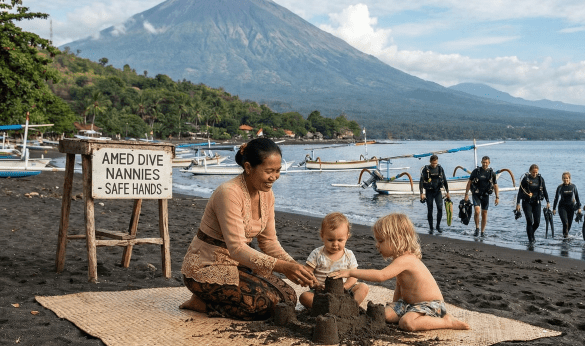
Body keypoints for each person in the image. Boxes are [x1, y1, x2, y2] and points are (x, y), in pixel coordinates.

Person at [179, 138, 317, 319]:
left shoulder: (267, 194)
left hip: (240, 266)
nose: (274, 177)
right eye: (269, 171)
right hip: (206, 267)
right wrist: (282, 267)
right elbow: (236, 249)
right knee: (265, 305)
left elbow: (269, 242)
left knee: (288, 298)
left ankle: (209, 300)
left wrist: (294, 266)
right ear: (249, 167)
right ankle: (202, 303)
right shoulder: (228, 192)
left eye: (278, 171)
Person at [329, 213, 469, 332]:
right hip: (408, 304)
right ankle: (408, 314)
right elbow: (400, 286)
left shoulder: (406, 260)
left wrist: (351, 272)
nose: (377, 245)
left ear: (398, 239)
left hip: (430, 305)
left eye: (381, 241)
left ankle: (447, 321)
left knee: (407, 323)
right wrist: (394, 306)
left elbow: (380, 276)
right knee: (384, 315)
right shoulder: (399, 260)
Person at [299, 212, 369, 309]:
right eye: (330, 240)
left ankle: (350, 308)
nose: (335, 244)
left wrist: (344, 287)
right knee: (305, 297)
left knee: (363, 287)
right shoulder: (317, 254)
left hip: (344, 292)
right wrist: (316, 284)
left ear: (347, 237)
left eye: (340, 240)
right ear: (322, 236)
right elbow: (307, 273)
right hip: (321, 293)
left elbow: (354, 276)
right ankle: (328, 308)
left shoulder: (349, 255)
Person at [464, 156, 499, 238]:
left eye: (486, 162)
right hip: (476, 194)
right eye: (483, 162)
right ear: (481, 162)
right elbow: (469, 183)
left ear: (489, 163)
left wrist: (497, 197)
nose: (485, 164)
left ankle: (482, 232)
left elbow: (495, 185)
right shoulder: (476, 171)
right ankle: (477, 228)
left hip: (485, 195)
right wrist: (466, 194)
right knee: (477, 211)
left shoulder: (491, 173)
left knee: (484, 213)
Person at [514, 164, 550, 244]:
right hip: (527, 202)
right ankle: (531, 239)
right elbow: (520, 191)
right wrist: (518, 203)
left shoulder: (540, 179)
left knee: (537, 222)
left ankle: (531, 233)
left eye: (536, 172)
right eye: (533, 172)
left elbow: (545, 191)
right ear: (530, 171)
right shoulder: (526, 179)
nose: (534, 174)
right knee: (529, 220)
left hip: (537, 202)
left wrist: (548, 202)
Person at [419, 155, 450, 234]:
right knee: (430, 210)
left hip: (438, 191)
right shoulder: (426, 169)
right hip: (429, 191)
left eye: (435, 163)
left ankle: (438, 226)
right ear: (430, 162)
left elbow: (445, 180)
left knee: (440, 208)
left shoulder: (440, 169)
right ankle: (431, 228)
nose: (434, 165)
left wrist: (448, 192)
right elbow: (421, 181)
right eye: (433, 163)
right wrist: (421, 193)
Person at [553, 171, 581, 238]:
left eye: (567, 178)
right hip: (562, 207)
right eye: (564, 178)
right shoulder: (560, 187)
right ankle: (565, 239)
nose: (566, 180)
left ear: (569, 178)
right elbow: (556, 198)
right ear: (562, 179)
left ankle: (565, 236)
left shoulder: (573, 187)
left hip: (571, 207)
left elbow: (577, 197)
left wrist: (579, 208)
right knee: (565, 223)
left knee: (569, 225)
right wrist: (554, 208)